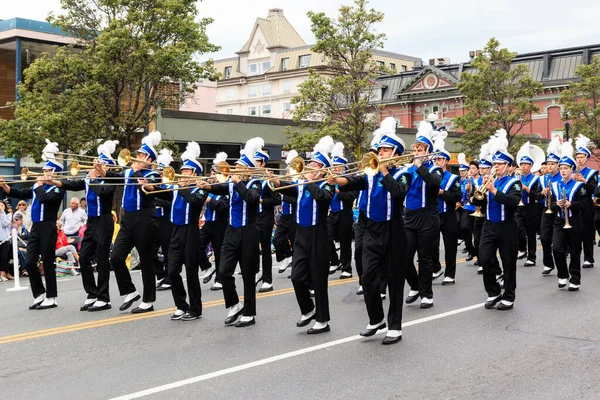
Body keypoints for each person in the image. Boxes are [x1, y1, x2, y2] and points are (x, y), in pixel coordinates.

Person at [332, 118, 410, 345]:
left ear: (395, 152)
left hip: (394, 230)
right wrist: (337, 179)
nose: (381, 153)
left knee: (395, 281)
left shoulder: (403, 173)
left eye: (386, 150)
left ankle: (395, 326)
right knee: (368, 277)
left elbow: (398, 193)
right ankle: (376, 319)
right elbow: (355, 181)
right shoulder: (370, 173)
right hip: (373, 230)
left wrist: (384, 171)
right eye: (381, 149)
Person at [197, 137, 263, 327]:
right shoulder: (233, 185)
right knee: (224, 271)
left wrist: (239, 182)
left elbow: (251, 199)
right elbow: (220, 188)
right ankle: (234, 304)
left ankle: (249, 313)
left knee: (248, 274)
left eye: (239, 168)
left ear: (247, 171)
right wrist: (206, 186)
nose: (234, 171)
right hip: (231, 232)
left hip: (249, 232)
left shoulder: (255, 184)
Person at [271, 136, 335, 334]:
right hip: (301, 234)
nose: (310, 167)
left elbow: (323, 199)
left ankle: (323, 320)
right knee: (297, 277)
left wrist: (309, 181)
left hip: (319, 234)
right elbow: (288, 189)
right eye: (311, 164)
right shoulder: (302, 185)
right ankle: (308, 310)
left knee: (318, 279)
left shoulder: (327, 185)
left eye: (315, 165)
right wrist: (275, 181)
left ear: (323, 169)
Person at [97, 131, 161, 314]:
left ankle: (148, 300)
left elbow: (149, 187)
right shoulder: (128, 172)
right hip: (128, 219)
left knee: (146, 260)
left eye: (141, 155)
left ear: (149, 158)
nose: (137, 157)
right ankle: (130, 291)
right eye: (138, 154)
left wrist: (137, 171)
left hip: (145, 219)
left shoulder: (153, 174)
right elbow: (114, 178)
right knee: (116, 257)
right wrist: (102, 171)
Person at [52, 140, 118, 312]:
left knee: (102, 259)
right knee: (85, 256)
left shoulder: (111, 181)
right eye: (96, 165)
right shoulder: (90, 179)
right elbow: (73, 185)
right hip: (92, 222)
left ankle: (104, 298)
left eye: (100, 165)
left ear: (107, 168)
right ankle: (92, 293)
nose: (95, 167)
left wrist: (95, 178)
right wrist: (55, 182)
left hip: (104, 220)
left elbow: (103, 193)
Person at [0, 139, 65, 309]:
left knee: (48, 262)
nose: (43, 172)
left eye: (47, 170)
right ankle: (39, 294)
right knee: (30, 262)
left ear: (55, 173)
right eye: (44, 170)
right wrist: (6, 186)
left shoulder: (58, 189)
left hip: (48, 227)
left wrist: (39, 185)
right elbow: (21, 192)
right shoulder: (38, 187)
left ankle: (52, 297)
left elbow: (44, 199)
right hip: (36, 227)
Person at [153, 142, 208, 321]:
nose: (182, 173)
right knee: (172, 271)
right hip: (175, 231)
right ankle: (181, 305)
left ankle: (195, 308)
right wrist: (148, 186)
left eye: (186, 171)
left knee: (191, 273)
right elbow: (162, 194)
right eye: (182, 171)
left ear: (194, 173)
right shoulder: (176, 187)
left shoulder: (200, 189)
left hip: (191, 231)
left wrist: (183, 186)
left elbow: (194, 202)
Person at [473, 130, 521, 311]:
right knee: (485, 259)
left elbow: (513, 202)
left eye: (500, 164)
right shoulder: (487, 181)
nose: (496, 167)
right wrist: (478, 193)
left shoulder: (513, 183)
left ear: (508, 166)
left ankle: (509, 296)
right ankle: (493, 292)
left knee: (509, 262)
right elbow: (477, 201)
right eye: (494, 164)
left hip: (507, 226)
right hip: (489, 225)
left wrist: (493, 190)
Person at [404, 121, 443, 309]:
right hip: (409, 217)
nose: (417, 152)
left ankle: (427, 294)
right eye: (416, 149)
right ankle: (415, 285)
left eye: (420, 149)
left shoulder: (434, 168)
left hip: (428, 216)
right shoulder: (408, 170)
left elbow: (434, 183)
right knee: (403, 255)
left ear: (428, 151)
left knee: (424, 258)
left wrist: (420, 166)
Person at [551, 140, 586, 291]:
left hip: (574, 221)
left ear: (572, 170)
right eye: (561, 168)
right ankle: (563, 274)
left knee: (575, 251)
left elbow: (584, 204)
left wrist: (571, 204)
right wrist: (556, 204)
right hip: (560, 221)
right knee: (557, 248)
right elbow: (550, 205)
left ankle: (575, 279)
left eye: (566, 168)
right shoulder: (554, 185)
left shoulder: (579, 185)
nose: (563, 171)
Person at [432, 143, 463, 285]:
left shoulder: (453, 178)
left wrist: (443, 193)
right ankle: (436, 268)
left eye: (439, 159)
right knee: (431, 244)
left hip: (448, 214)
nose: (436, 162)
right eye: (435, 160)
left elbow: (457, 197)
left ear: (446, 161)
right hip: (432, 214)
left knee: (450, 246)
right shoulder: (430, 175)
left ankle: (450, 274)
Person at [199, 153, 229, 291]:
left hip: (220, 223)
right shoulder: (209, 188)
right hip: (208, 222)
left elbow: (224, 206)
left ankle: (220, 279)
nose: (211, 176)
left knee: (218, 251)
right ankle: (207, 267)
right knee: (197, 244)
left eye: (214, 173)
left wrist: (211, 201)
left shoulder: (225, 189)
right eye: (211, 173)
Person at [327, 142, 356, 279]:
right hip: (332, 213)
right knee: (326, 237)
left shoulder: (349, 180)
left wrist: (339, 192)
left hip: (345, 213)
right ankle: (334, 260)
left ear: (343, 167)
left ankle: (347, 268)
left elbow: (351, 198)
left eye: (337, 167)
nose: (335, 169)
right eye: (333, 167)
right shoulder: (329, 180)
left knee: (345, 242)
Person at [254, 148, 281, 293]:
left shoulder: (269, 179)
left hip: (265, 217)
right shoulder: (252, 178)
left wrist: (261, 200)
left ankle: (267, 280)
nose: (254, 164)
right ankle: (256, 273)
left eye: (257, 162)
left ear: (263, 163)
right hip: (253, 217)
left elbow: (276, 200)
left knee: (265, 248)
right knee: (251, 247)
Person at [515, 142, 542, 267]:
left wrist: (527, 189)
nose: (523, 166)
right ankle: (522, 249)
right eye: (522, 164)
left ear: (531, 166)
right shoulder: (516, 178)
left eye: (526, 164)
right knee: (518, 229)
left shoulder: (536, 179)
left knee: (531, 233)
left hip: (531, 207)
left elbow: (537, 196)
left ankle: (532, 257)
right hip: (519, 207)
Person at [573, 135, 597, 268]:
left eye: (582, 157)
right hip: (575, 205)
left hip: (587, 204)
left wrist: (584, 181)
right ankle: (576, 255)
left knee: (587, 231)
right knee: (576, 232)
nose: (579, 159)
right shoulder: (572, 171)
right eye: (577, 157)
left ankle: (589, 258)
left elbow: (594, 189)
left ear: (587, 159)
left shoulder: (592, 173)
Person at [539, 136, 562, 275]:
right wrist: (542, 192)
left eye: (552, 164)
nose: (550, 166)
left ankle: (561, 264)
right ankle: (548, 263)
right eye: (548, 164)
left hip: (558, 210)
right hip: (546, 210)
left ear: (558, 165)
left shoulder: (562, 177)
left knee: (558, 242)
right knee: (544, 238)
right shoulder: (544, 178)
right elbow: (536, 195)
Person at [273, 150, 298, 274]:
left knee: (295, 242)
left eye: (289, 170)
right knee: (277, 239)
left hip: (294, 216)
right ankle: (286, 256)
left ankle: (296, 266)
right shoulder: (285, 183)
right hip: (284, 216)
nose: (287, 172)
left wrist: (283, 195)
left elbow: (295, 199)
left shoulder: (297, 184)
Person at [154, 149, 175, 291]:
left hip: (167, 220)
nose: (160, 174)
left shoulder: (171, 186)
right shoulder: (157, 185)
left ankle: (169, 277)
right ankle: (160, 274)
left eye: (163, 171)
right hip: (155, 220)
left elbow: (171, 203)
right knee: (150, 249)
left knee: (167, 250)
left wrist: (158, 201)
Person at [0, 201, 12, 282]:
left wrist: (2, 213)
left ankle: (3, 273)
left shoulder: (8, 215)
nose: (0, 207)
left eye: (2, 205)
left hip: (5, 239)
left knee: (3, 257)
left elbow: (5, 223)